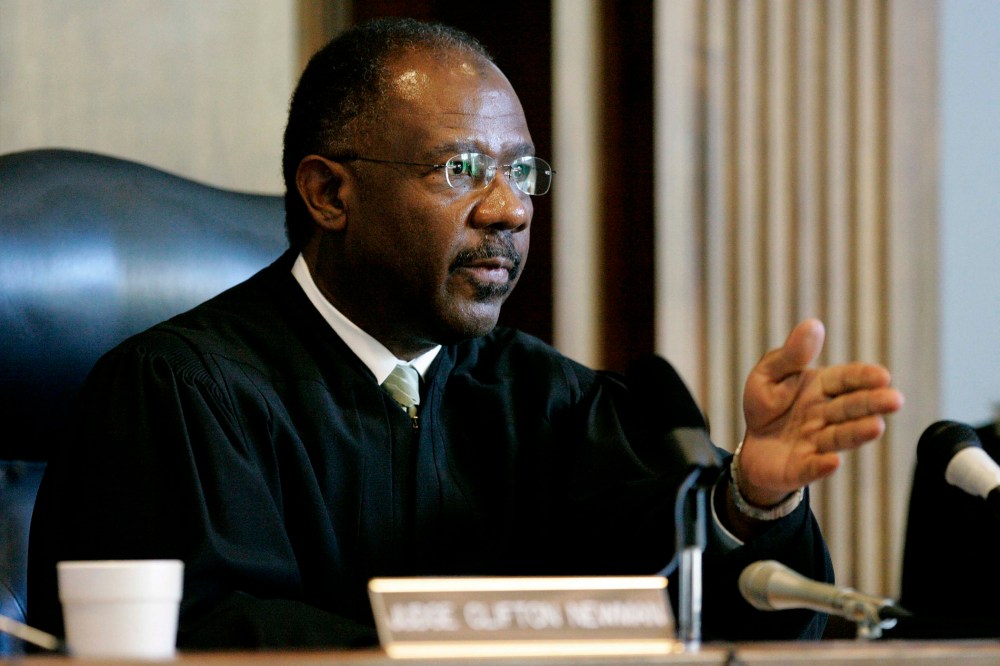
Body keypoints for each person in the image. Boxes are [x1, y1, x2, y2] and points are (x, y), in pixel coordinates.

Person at [27, 17, 904, 649]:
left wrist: (751, 502)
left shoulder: (543, 398)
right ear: (330, 193)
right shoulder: (177, 394)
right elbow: (214, 637)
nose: (511, 208)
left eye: (523, 171)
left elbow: (722, 619)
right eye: (461, 170)